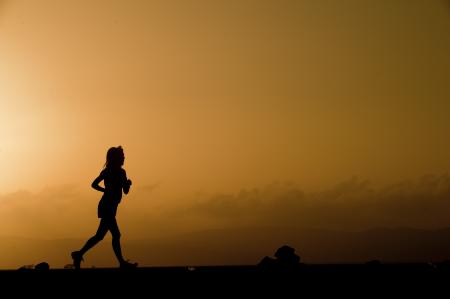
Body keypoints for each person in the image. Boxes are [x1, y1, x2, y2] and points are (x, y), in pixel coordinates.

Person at [71, 146, 137, 269]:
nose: (124, 157)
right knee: (116, 235)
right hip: (107, 206)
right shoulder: (108, 172)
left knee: (100, 236)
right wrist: (106, 190)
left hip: (111, 206)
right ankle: (122, 263)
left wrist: (128, 184)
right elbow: (94, 184)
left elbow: (125, 191)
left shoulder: (121, 172)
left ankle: (78, 254)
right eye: (122, 156)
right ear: (116, 158)